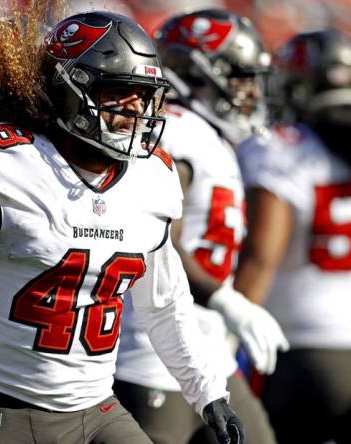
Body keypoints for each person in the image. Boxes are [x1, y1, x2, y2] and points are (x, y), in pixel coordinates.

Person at [0, 7, 243, 444]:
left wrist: (209, 393)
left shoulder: (151, 180)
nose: (136, 110)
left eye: (144, 96)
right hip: (2, 407)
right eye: (121, 92)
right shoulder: (10, 165)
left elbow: (165, 304)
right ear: (72, 91)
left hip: (97, 409)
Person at [234, 30, 351, 444]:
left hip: (307, 354)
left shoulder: (283, 148)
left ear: (299, 85)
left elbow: (262, 256)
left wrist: (225, 339)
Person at [114, 10, 283, 444]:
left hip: (211, 357)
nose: (249, 91)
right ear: (195, 73)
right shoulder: (177, 131)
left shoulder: (211, 138)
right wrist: (225, 299)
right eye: (240, 76)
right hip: (154, 356)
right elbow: (159, 238)